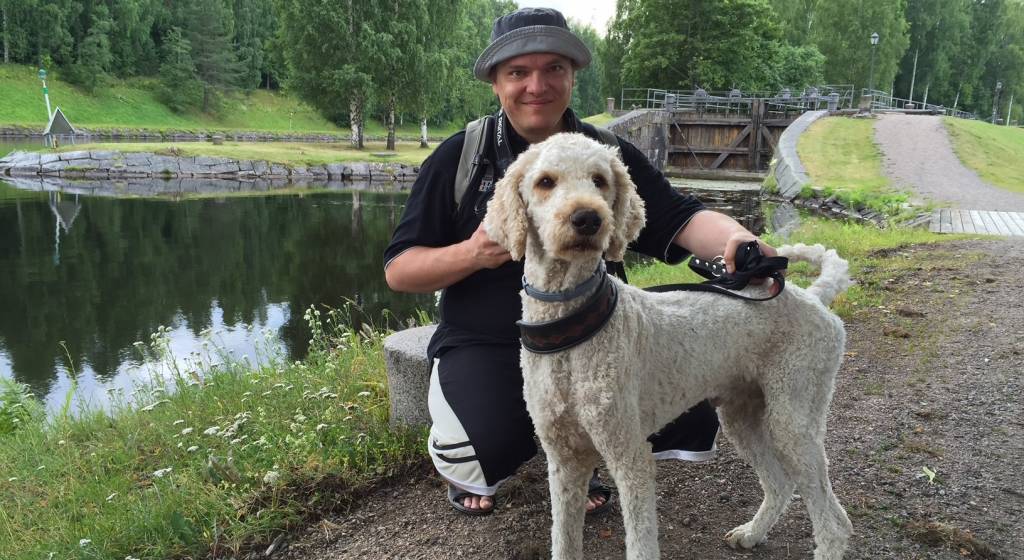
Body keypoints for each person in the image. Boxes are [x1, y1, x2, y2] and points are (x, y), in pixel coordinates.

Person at [384, 7, 779, 516]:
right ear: (495, 84)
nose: (536, 85)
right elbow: (399, 269)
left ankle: (588, 457)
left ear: (573, 76)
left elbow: (680, 218)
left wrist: (743, 241)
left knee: (675, 379)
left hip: (593, 328)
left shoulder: (607, 154)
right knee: (481, 451)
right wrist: (474, 252)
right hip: (488, 340)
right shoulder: (463, 156)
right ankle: (478, 454)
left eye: (553, 68)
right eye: (517, 72)